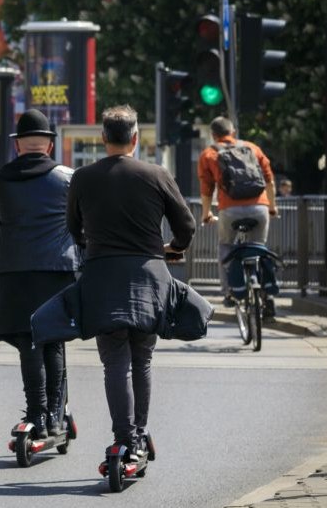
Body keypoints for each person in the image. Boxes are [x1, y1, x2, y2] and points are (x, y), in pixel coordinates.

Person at [67, 105, 196, 461]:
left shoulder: (83, 177)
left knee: (114, 362)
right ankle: (138, 436)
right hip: (148, 277)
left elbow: (72, 227)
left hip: (103, 278)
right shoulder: (156, 174)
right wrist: (172, 249)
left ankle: (123, 438)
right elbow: (187, 226)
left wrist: (90, 246)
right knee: (142, 359)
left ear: (103, 138)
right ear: (136, 139)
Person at [0, 109, 78, 439]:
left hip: (14, 272)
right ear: (50, 145)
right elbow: (79, 225)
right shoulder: (68, 179)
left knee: (28, 342)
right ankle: (55, 416)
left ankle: (36, 412)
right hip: (57, 271)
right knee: (53, 341)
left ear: (18, 146)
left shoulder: (0, 179)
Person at [196, 117, 277, 310]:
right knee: (259, 248)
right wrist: (272, 207)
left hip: (229, 210)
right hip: (259, 208)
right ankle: (268, 296)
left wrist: (206, 214)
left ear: (213, 135)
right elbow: (269, 180)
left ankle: (230, 292)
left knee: (226, 248)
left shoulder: (209, 154)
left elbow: (206, 190)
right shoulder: (252, 148)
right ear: (233, 131)